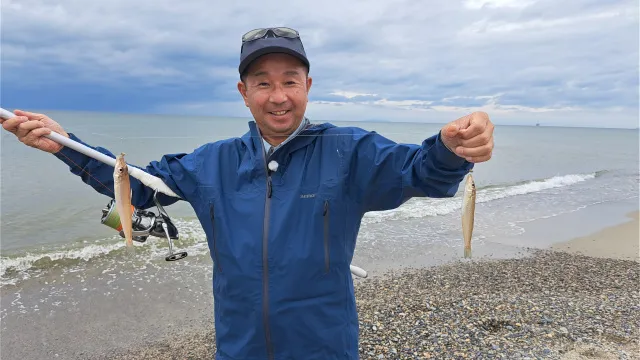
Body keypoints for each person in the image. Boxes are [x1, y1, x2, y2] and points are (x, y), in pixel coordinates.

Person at [2, 27, 494, 359]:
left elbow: (423, 172)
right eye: (262, 82)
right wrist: (63, 146)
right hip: (238, 345)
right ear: (243, 91)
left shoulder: (352, 150)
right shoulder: (211, 161)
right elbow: (137, 186)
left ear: (307, 85)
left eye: (289, 81)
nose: (278, 95)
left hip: (325, 345)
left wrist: (453, 147)